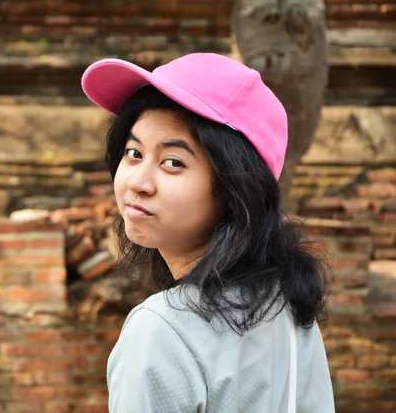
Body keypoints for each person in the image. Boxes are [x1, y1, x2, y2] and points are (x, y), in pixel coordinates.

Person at [81, 53, 334, 413]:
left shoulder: (161, 330)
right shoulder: (287, 306)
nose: (137, 182)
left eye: (173, 163)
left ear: (235, 193)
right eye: (134, 153)